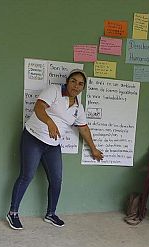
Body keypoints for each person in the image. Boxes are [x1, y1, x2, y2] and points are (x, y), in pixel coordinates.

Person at [7, 69, 104, 230]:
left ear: (83, 88)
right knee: (27, 176)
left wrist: (93, 149)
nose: (76, 86)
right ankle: (13, 213)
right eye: (73, 81)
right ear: (67, 81)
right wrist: (50, 123)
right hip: (33, 138)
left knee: (56, 180)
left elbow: (84, 128)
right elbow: (39, 108)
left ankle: (50, 214)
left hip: (52, 146)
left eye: (80, 84)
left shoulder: (78, 109)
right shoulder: (54, 91)